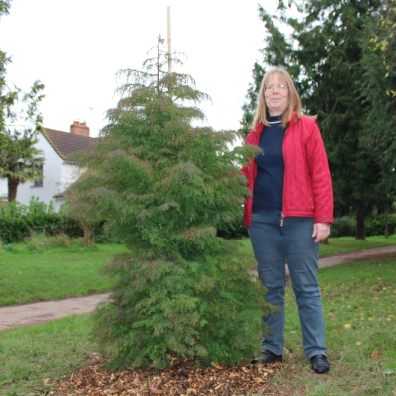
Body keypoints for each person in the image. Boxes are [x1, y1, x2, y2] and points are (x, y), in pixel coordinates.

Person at [242, 67, 333, 374]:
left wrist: (323, 219)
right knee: (270, 286)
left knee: (306, 287)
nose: (275, 91)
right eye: (269, 87)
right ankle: (271, 348)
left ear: (290, 93)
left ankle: (316, 351)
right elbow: (245, 176)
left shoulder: (307, 128)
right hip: (262, 221)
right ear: (263, 95)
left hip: (300, 220)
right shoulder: (254, 134)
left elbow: (320, 174)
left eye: (281, 87)